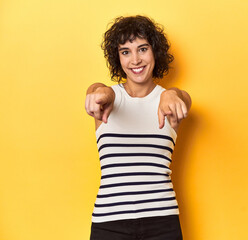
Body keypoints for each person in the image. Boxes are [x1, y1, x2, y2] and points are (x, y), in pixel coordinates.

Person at [84, 15, 191, 240]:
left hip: (162, 222)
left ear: (155, 52)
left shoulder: (171, 100)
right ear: (118, 58)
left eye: (142, 49)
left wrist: (171, 93)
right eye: (125, 52)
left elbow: (183, 98)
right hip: (109, 223)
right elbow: (98, 91)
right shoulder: (106, 99)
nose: (135, 60)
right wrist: (102, 92)